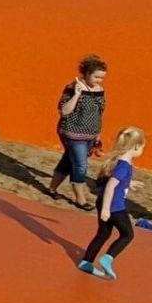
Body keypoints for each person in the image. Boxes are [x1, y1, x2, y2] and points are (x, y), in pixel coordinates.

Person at [78, 126, 145, 279]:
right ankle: (108, 258)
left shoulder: (119, 161)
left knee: (103, 234)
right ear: (136, 146)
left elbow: (116, 180)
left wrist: (128, 183)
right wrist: (106, 209)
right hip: (114, 206)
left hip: (105, 201)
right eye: (142, 148)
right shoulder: (124, 165)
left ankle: (86, 262)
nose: (142, 151)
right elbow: (110, 186)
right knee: (127, 234)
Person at [47, 55, 107, 210]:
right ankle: (80, 199)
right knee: (80, 165)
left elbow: (99, 113)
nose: (99, 80)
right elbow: (64, 111)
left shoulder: (100, 90)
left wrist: (98, 132)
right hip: (72, 133)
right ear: (86, 73)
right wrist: (77, 94)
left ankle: (52, 189)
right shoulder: (72, 88)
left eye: (101, 77)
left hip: (90, 134)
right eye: (96, 77)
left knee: (68, 161)